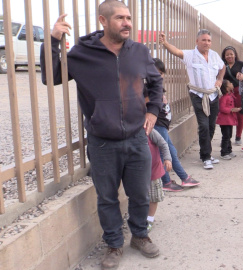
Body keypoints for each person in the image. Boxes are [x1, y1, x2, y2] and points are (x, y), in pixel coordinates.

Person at [41, 1, 163, 269]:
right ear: (103, 21)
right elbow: (51, 77)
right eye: (120, 18)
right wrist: (52, 40)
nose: (127, 23)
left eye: (129, 18)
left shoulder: (140, 51)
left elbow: (156, 83)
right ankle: (114, 244)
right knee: (107, 197)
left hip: (136, 138)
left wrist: (153, 110)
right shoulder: (83, 53)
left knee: (140, 194)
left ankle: (140, 236)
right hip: (102, 142)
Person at [158, 29, 226, 170]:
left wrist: (220, 79)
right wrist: (165, 43)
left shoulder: (214, 55)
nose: (206, 43)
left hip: (213, 95)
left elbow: (222, 67)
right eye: (204, 40)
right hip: (198, 95)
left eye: (208, 40)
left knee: (212, 125)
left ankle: (205, 153)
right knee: (204, 125)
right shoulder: (190, 55)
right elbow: (176, 51)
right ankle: (206, 157)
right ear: (197, 41)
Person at [151, 58, 200, 192]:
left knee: (171, 151)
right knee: (164, 153)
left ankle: (180, 178)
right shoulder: (149, 89)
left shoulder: (158, 88)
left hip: (162, 126)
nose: (159, 75)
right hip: (157, 125)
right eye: (155, 72)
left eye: (161, 73)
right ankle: (170, 180)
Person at [146, 129, 172, 232]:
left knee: (154, 197)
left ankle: (150, 218)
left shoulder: (149, 130)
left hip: (153, 170)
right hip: (137, 172)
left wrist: (167, 159)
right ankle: (140, 217)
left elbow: (163, 144)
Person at [222, 46, 243, 145]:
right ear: (224, 56)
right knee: (228, 114)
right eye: (227, 54)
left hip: (238, 92)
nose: (229, 56)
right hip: (226, 94)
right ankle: (227, 138)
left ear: (235, 54)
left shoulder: (241, 65)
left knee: (240, 113)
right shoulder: (222, 65)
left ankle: (238, 136)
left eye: (231, 54)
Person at [217, 80, 241, 159]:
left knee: (229, 135)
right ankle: (224, 152)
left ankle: (229, 150)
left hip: (229, 120)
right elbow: (222, 108)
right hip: (224, 120)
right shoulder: (224, 97)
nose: (232, 84)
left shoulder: (231, 95)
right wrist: (231, 110)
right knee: (226, 136)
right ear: (227, 88)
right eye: (230, 83)